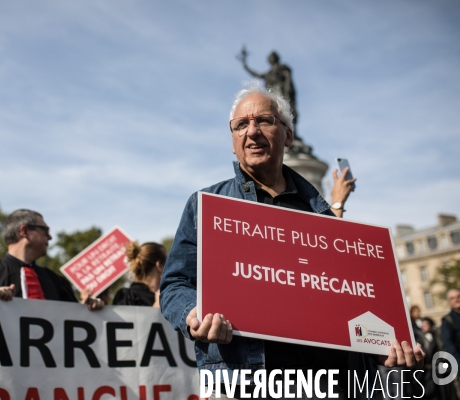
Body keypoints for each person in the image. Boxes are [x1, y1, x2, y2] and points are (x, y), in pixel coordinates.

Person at [160, 80, 423, 399]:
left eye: (265, 121)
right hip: (244, 384)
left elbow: (348, 307)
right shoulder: (204, 206)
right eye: (241, 124)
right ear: (233, 141)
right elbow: (174, 283)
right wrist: (192, 313)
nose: (252, 131)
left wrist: (382, 347)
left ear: (289, 135)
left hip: (327, 385)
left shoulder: (325, 220)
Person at [0, 209, 103, 310]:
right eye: (45, 230)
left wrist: (86, 309)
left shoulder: (57, 283)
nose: (50, 237)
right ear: (24, 231)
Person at [113, 241, 166, 307]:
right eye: (167, 263)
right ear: (159, 266)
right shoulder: (127, 296)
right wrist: (156, 309)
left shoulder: (165, 297)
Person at [442, 289, 460, 365]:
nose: (456, 300)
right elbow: (449, 344)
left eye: (458, 297)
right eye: (452, 298)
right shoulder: (448, 320)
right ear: (449, 302)